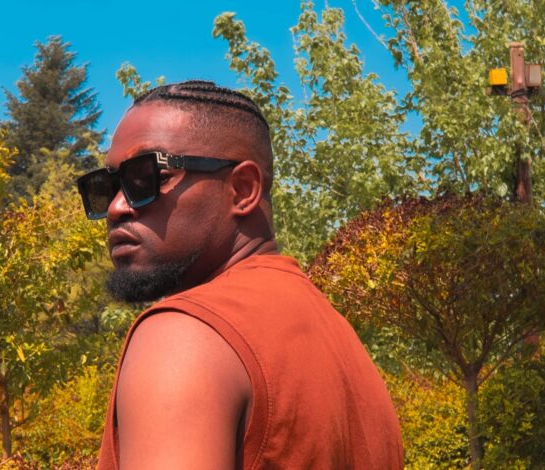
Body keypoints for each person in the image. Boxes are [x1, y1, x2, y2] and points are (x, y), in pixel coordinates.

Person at [76, 80, 403, 469]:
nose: (116, 208)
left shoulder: (186, 334)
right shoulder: (345, 349)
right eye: (107, 186)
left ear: (243, 189)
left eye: (147, 178)